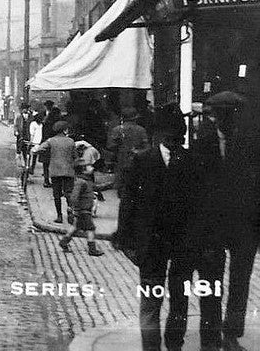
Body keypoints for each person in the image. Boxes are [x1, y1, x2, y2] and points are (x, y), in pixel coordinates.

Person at [115, 107, 218, 351]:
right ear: (161, 134)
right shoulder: (141, 162)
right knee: (151, 302)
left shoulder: (192, 162)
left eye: (180, 134)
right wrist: (125, 239)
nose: (177, 140)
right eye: (173, 134)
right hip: (151, 244)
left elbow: (199, 206)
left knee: (180, 300)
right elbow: (128, 203)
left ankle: (174, 345)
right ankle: (151, 348)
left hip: (183, 245)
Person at [196, 90, 258, 351]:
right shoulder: (202, 145)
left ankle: (231, 335)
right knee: (210, 281)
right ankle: (210, 339)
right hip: (212, 227)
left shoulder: (251, 144)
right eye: (218, 114)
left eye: (227, 114)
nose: (222, 119)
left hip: (245, 225)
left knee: (240, 280)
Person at [33, 120, 77, 224]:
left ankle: (59, 216)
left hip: (55, 171)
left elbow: (39, 149)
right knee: (69, 193)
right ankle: (70, 212)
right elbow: (75, 156)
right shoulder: (71, 141)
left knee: (56, 194)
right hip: (68, 171)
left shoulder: (51, 141)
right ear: (65, 130)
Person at [59, 161, 103, 256]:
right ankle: (92, 249)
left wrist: (111, 185)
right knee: (91, 228)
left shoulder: (86, 181)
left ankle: (64, 242)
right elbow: (74, 196)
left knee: (75, 227)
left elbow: (97, 188)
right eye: (89, 167)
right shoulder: (81, 182)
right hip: (84, 210)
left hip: (83, 209)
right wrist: (72, 208)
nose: (92, 168)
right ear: (83, 170)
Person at [107, 106, 149, 194]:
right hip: (137, 161)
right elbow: (147, 148)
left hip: (121, 161)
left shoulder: (117, 130)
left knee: (122, 187)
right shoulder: (141, 130)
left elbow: (111, 146)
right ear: (136, 117)